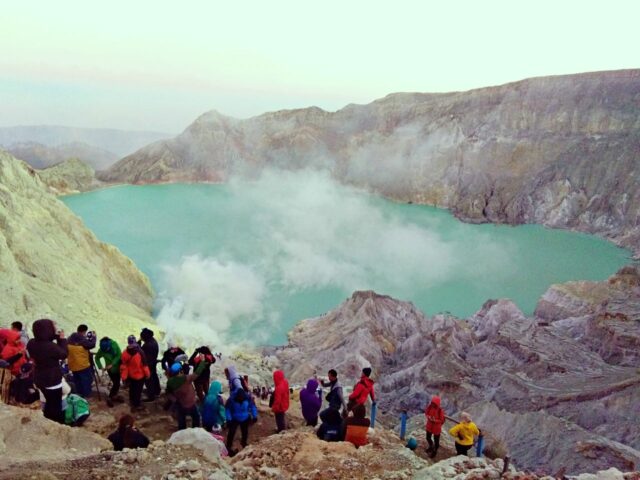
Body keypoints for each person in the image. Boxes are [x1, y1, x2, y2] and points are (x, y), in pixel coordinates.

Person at [26, 319, 68, 423]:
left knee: (49, 401)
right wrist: (62, 339)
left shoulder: (31, 343)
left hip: (39, 378)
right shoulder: (51, 347)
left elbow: (44, 339)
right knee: (55, 404)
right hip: (52, 380)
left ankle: (47, 419)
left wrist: (56, 336)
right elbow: (63, 354)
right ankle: (56, 423)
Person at [166, 361, 205, 430]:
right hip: (191, 403)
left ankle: (182, 431)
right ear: (180, 371)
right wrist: (202, 361)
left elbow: (168, 393)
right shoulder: (187, 378)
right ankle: (195, 430)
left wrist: (175, 400)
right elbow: (197, 372)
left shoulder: (170, 382)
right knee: (196, 417)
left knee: (181, 419)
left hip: (181, 403)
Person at [225, 384, 257, 456]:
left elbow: (252, 406)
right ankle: (228, 445)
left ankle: (244, 442)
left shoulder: (247, 398)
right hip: (234, 418)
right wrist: (229, 418)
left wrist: (255, 416)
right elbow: (227, 409)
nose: (241, 401)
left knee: (245, 431)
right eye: (239, 400)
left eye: (242, 400)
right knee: (231, 432)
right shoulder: (232, 399)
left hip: (245, 417)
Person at [120, 335, 150, 410]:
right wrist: (147, 374)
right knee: (138, 391)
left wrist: (124, 376)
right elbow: (145, 365)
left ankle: (131, 400)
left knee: (132, 389)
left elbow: (123, 364)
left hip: (130, 375)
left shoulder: (125, 352)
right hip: (139, 376)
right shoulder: (140, 352)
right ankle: (136, 404)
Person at [67, 324, 97, 398]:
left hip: (73, 364)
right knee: (87, 379)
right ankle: (86, 395)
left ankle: (79, 394)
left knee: (77, 380)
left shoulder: (70, 338)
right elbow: (91, 345)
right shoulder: (82, 340)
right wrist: (94, 337)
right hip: (82, 365)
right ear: (84, 331)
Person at [95, 337, 122, 406]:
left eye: (107, 349)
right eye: (104, 350)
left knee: (117, 383)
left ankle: (113, 396)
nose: (106, 351)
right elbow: (97, 358)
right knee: (116, 383)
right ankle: (111, 397)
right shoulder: (101, 350)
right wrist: (100, 367)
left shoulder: (114, 345)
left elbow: (119, 355)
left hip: (118, 368)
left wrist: (112, 364)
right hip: (110, 370)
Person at [139, 328, 160, 401]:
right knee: (154, 376)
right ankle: (157, 391)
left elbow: (142, 354)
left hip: (148, 364)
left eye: (141, 337)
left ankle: (151, 396)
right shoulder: (153, 340)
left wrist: (139, 346)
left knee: (148, 379)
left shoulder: (148, 345)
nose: (140, 338)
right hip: (153, 362)